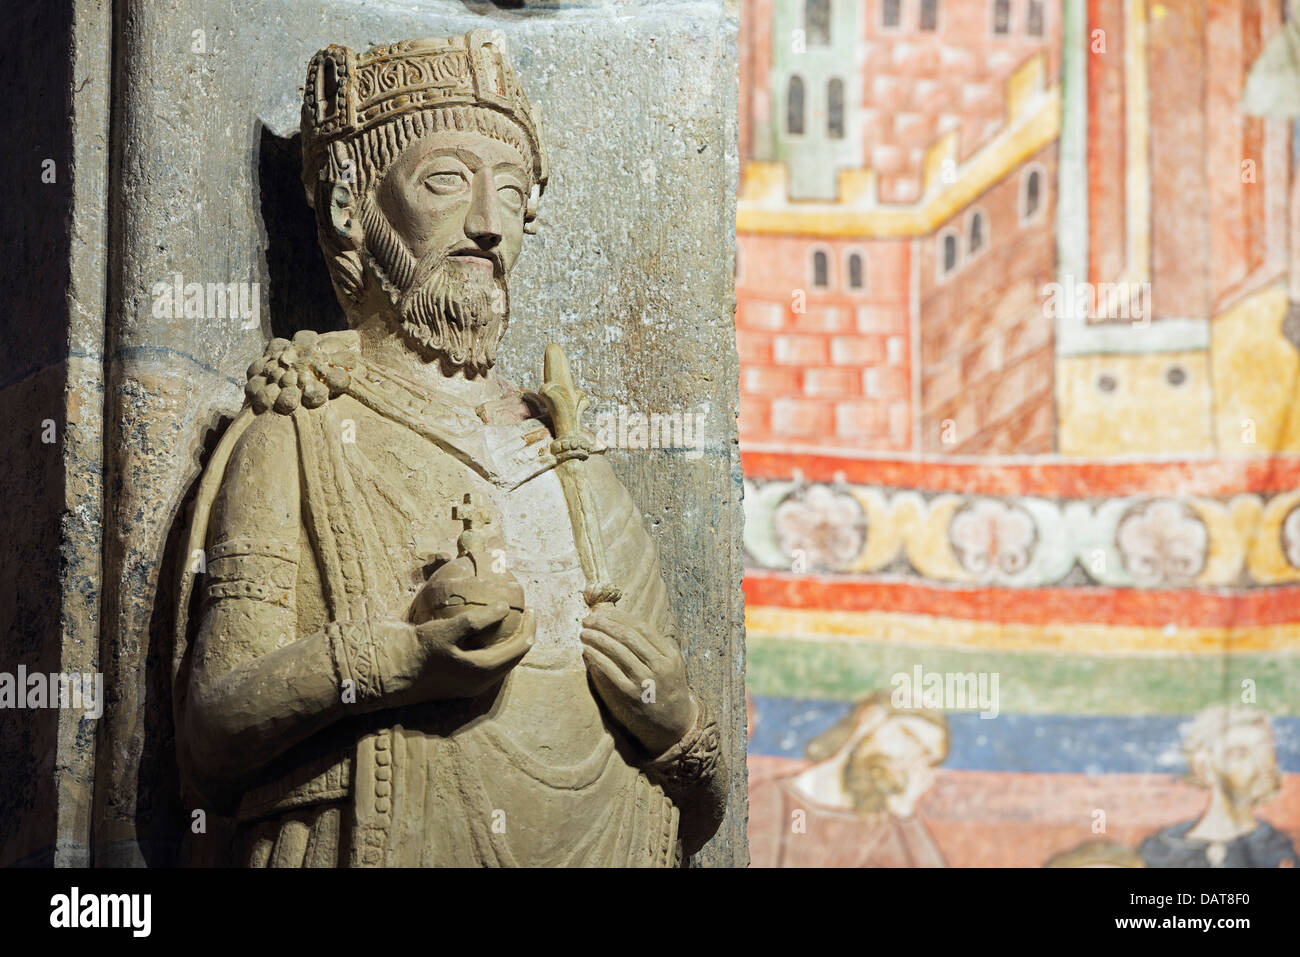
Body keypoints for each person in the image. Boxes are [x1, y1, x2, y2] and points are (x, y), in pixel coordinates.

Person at [172, 31, 725, 867]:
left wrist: (679, 718)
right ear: (352, 208)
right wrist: (401, 661)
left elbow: (702, 798)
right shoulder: (299, 430)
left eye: (511, 192)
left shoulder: (575, 469)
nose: (489, 225)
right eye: (446, 182)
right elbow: (212, 729)